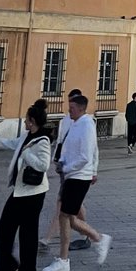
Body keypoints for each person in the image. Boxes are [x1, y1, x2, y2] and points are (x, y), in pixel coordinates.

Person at [0, 98, 53, 271]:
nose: (25, 121)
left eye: (27, 119)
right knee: (5, 229)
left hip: (34, 194)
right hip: (20, 191)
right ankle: (6, 268)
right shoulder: (25, 136)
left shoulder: (43, 141)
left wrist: (27, 154)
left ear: (32, 121)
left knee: (28, 233)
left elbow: (44, 165)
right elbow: (9, 143)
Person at [42, 94, 111, 271]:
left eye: (71, 108)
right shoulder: (73, 124)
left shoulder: (87, 125)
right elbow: (67, 147)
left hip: (79, 176)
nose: (68, 110)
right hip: (73, 175)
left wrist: (67, 167)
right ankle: (98, 238)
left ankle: (64, 259)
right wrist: (61, 161)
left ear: (81, 108)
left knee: (65, 216)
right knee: (69, 218)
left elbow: (86, 155)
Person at [40, 88, 92, 253]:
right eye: (70, 104)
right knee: (75, 206)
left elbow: (90, 152)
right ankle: (87, 236)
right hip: (66, 168)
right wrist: (57, 160)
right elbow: (61, 141)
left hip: (75, 171)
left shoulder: (86, 123)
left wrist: (92, 170)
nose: (71, 108)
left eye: (74, 104)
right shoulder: (65, 120)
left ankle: (48, 240)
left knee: (62, 206)